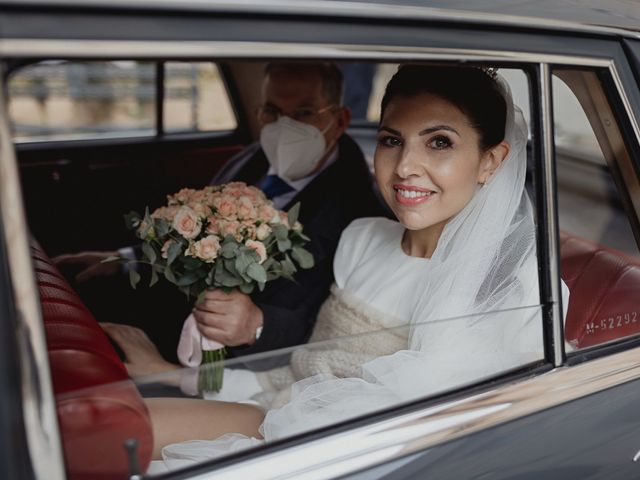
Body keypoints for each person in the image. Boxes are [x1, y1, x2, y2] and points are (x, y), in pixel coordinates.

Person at [115, 64, 570, 467]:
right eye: (393, 140)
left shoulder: (516, 289)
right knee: (95, 429)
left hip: (345, 455)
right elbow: (300, 372)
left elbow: (430, 440)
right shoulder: (361, 240)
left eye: (439, 143)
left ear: (490, 161)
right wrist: (176, 375)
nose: (406, 166)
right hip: (273, 412)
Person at [54, 62, 384, 364]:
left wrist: (257, 325)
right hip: (172, 315)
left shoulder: (356, 212)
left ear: (339, 121)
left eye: (303, 113)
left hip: (240, 363)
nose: (284, 127)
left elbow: (326, 324)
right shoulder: (252, 157)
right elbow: (194, 233)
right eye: (271, 111)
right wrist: (121, 259)